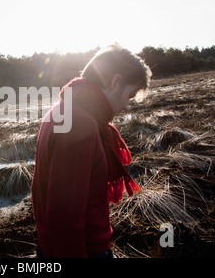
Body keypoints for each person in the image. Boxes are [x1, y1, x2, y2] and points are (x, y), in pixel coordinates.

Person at [31, 45, 152, 258]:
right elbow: (65, 218)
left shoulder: (64, 109)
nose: (126, 107)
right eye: (130, 95)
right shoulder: (79, 123)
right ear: (115, 81)